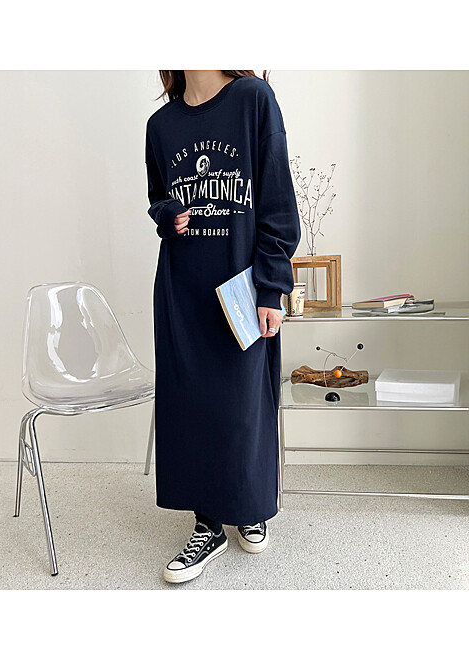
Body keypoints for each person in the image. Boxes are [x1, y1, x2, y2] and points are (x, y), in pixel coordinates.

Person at [145, 70, 301, 584]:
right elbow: (157, 197)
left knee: (244, 404)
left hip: (241, 286)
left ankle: (248, 504)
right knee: (191, 406)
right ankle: (207, 524)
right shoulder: (161, 125)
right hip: (182, 290)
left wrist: (272, 287)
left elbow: (277, 199)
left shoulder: (253, 99)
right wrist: (168, 215)